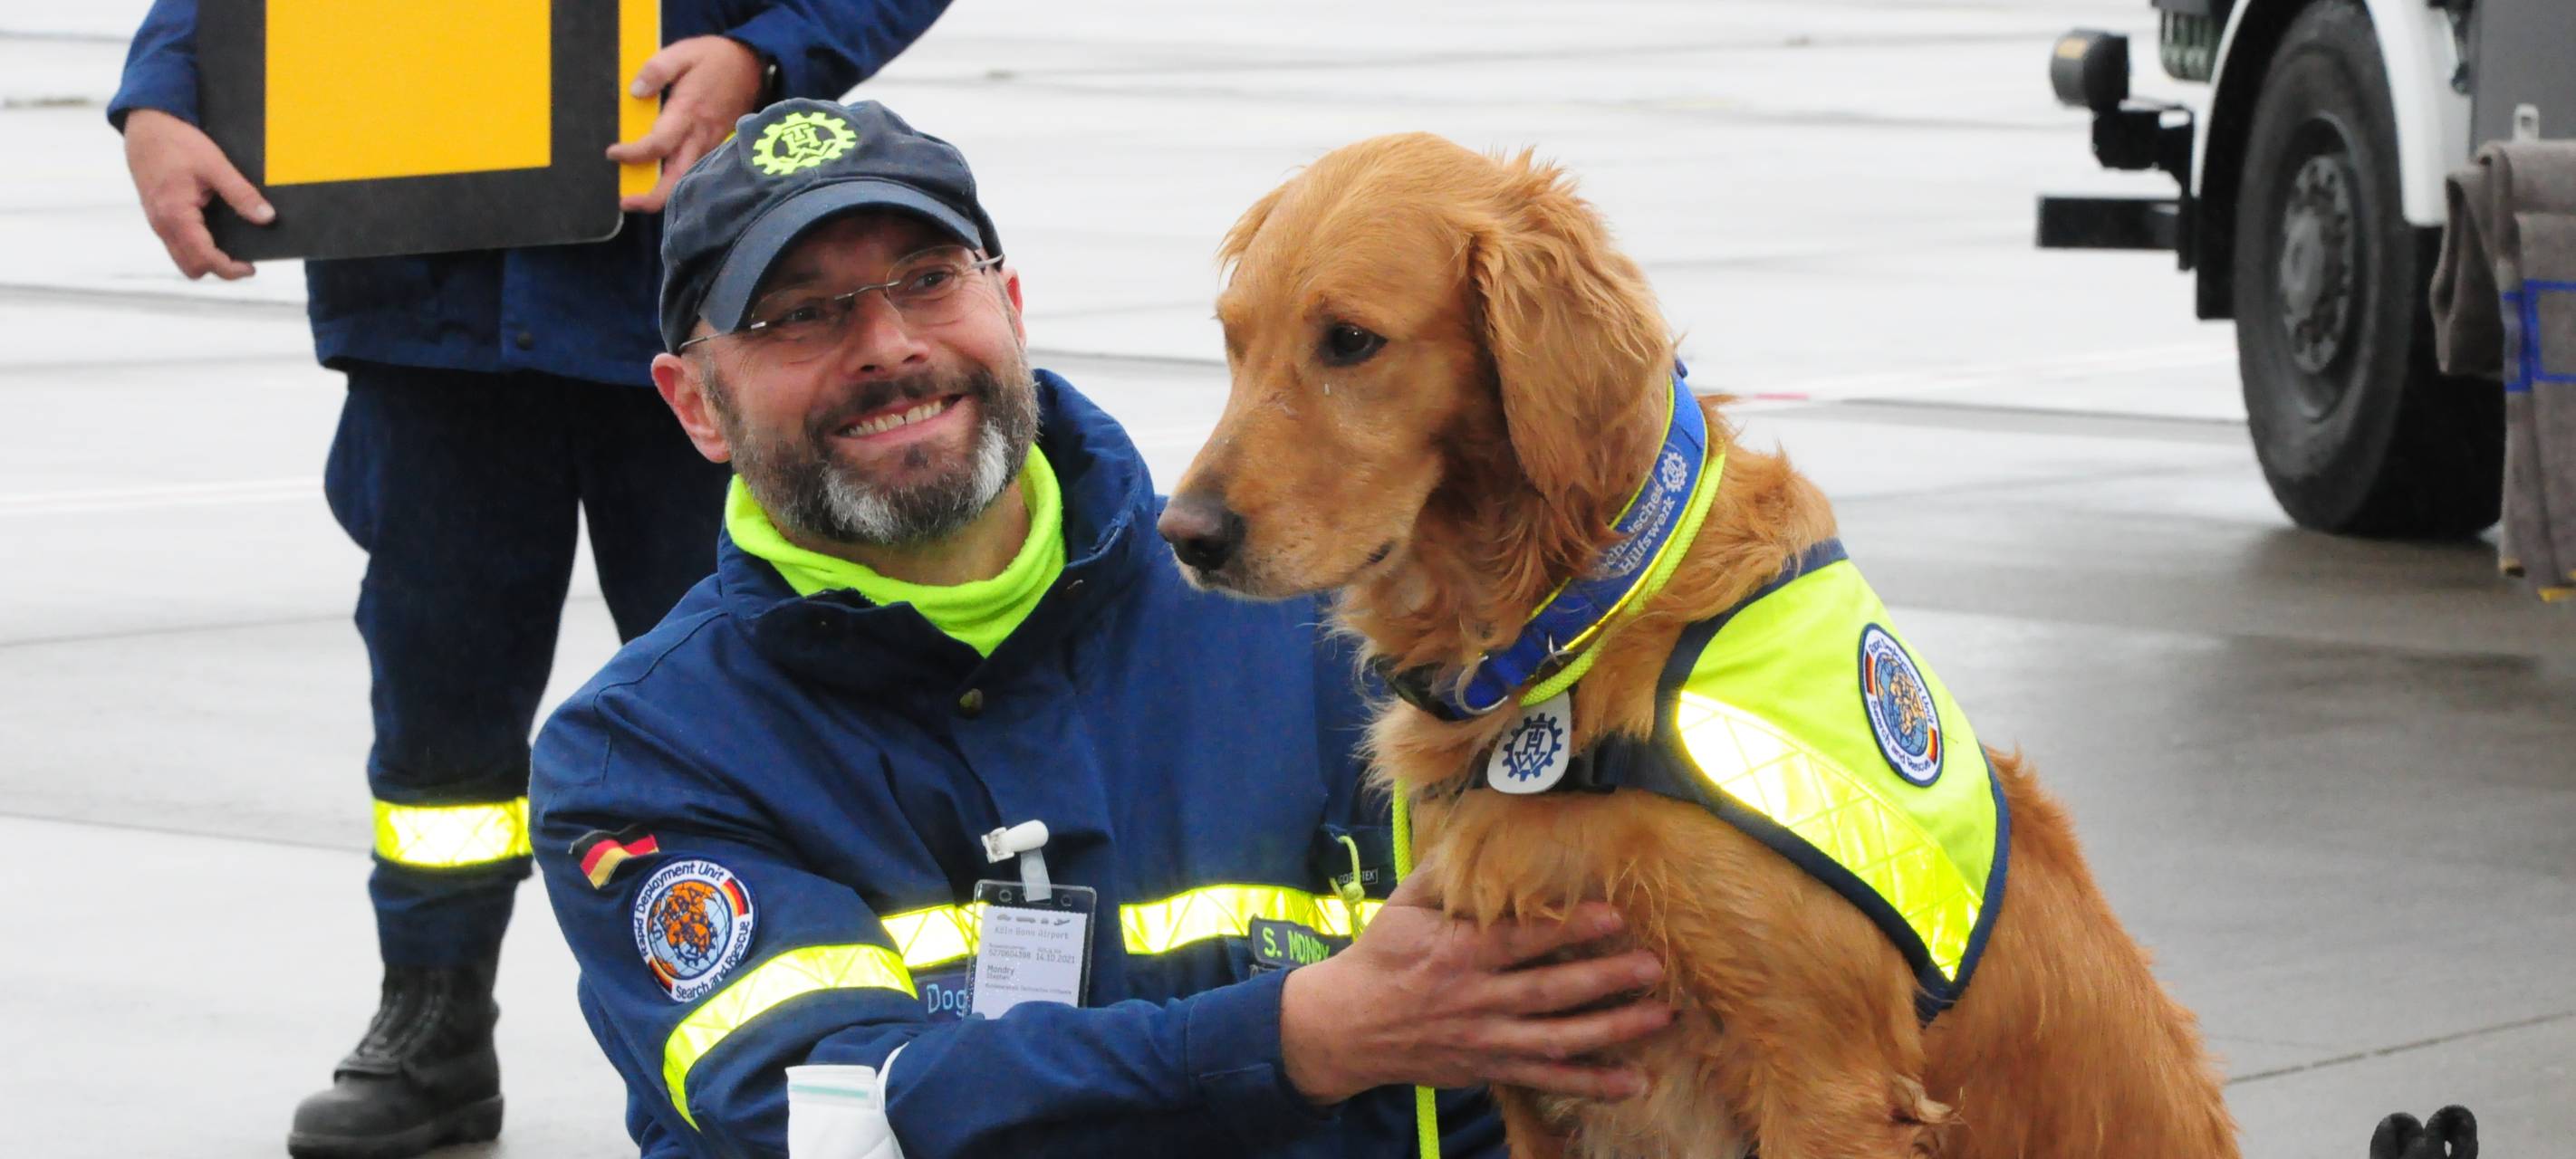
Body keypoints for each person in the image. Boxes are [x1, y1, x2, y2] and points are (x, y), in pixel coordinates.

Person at [529, 97, 1678, 1157]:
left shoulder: (1349, 625)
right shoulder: (646, 755)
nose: (886, 343)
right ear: (696, 404)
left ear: (1011, 308)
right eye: (799, 315)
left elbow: (1547, 1050)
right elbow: (833, 1114)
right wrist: (1300, 1036)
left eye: (927, 278)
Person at [108, 5, 952, 1156]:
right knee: (437, 706)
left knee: (770, 696)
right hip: (428, 297)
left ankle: (829, 1033)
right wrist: (162, 93)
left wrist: (768, 54)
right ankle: (434, 1014)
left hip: (696, 292)